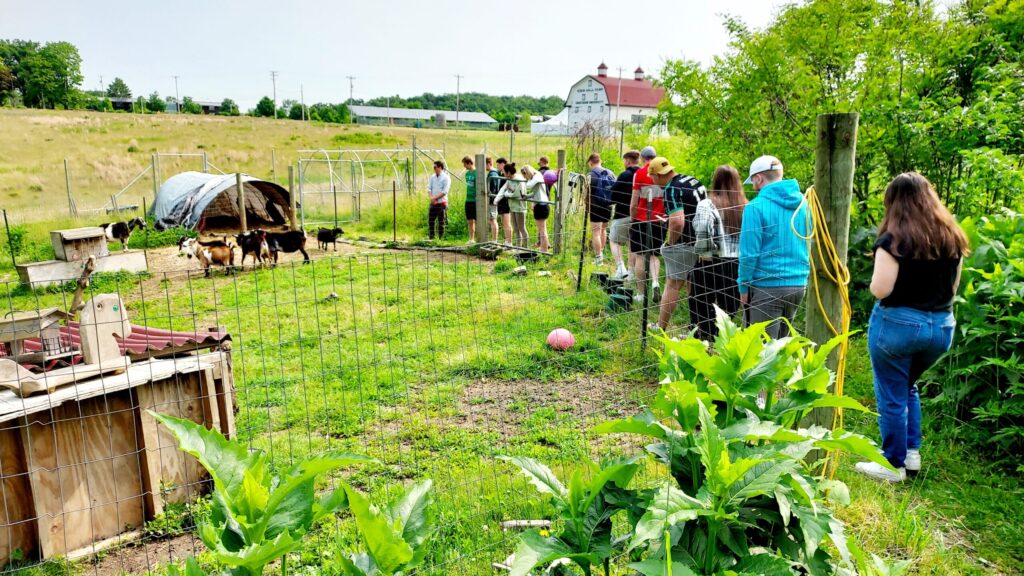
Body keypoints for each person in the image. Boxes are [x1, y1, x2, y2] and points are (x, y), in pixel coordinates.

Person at [854, 172, 968, 483]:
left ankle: (892, 464)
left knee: (891, 391)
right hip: (941, 327)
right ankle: (911, 453)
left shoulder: (893, 241)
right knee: (908, 386)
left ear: (894, 204)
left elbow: (880, 289)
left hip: (899, 326)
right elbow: (953, 287)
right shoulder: (952, 238)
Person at [737, 155, 809, 338]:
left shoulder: (755, 207)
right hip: (798, 285)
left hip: (766, 287)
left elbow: (749, 254)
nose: (753, 186)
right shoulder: (804, 204)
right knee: (782, 349)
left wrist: (743, 287)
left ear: (759, 178)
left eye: (753, 181)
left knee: (760, 354)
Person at [647, 157, 707, 332]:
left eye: (652, 178)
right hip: (703, 238)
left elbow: (678, 222)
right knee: (695, 285)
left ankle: (661, 326)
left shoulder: (671, 189)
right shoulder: (692, 180)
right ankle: (696, 328)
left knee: (673, 284)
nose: (652, 181)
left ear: (658, 175)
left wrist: (670, 243)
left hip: (685, 240)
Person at [689, 165, 747, 340]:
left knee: (701, 303)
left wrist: (704, 252)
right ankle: (721, 339)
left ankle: (704, 341)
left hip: (710, 262)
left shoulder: (707, 204)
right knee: (728, 306)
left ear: (715, 180)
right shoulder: (746, 206)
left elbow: (702, 228)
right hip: (736, 263)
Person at [630, 146, 664, 303]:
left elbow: (634, 199)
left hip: (641, 219)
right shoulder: (662, 170)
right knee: (654, 255)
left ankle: (641, 293)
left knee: (640, 256)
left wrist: (632, 216)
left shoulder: (640, 173)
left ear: (642, 158)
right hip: (659, 219)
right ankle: (656, 282)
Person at [609, 150, 640, 280]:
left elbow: (613, 195)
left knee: (613, 240)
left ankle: (620, 267)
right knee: (631, 243)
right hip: (639, 215)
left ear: (627, 160)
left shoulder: (624, 175)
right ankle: (631, 272)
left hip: (622, 213)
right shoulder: (642, 174)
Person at [587, 153, 614, 265]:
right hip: (608, 205)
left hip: (596, 206)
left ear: (590, 162)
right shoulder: (610, 173)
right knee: (603, 230)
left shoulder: (590, 175)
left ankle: (598, 258)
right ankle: (601, 253)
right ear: (600, 161)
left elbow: (585, 193)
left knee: (596, 232)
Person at [494, 162, 529, 247]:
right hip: (512, 206)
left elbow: (518, 193)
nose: (503, 174)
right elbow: (503, 189)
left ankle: (526, 248)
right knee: (516, 229)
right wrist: (496, 200)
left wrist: (507, 194)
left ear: (509, 172)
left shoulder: (519, 179)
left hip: (520, 207)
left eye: (504, 172)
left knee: (522, 228)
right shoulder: (509, 179)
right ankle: (518, 247)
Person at [523, 164, 550, 252]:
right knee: (541, 230)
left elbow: (528, 186)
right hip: (539, 205)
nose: (525, 178)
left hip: (542, 205)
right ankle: (543, 250)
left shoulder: (537, 176)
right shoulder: (534, 178)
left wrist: (523, 183)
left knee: (542, 230)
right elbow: (536, 192)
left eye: (525, 175)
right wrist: (527, 196)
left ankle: (544, 251)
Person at [427, 160, 450, 240]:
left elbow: (444, 191)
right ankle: (431, 238)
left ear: (440, 167)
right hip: (433, 203)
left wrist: (435, 198)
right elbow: (429, 188)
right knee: (431, 221)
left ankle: (441, 239)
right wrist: (431, 198)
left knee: (441, 222)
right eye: (433, 167)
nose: (434, 169)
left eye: (435, 167)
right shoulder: (432, 177)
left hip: (441, 203)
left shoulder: (446, 178)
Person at [493, 157, 512, 243]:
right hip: (501, 200)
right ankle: (506, 240)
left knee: (507, 222)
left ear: (503, 164)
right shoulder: (501, 174)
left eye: (498, 164)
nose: (497, 166)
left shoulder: (508, 175)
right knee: (504, 222)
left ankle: (509, 241)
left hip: (506, 201)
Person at [462, 156, 478, 243]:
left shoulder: (477, 173)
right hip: (468, 199)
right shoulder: (467, 174)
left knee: (477, 220)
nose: (464, 166)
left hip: (475, 200)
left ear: (469, 163)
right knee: (470, 220)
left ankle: (479, 238)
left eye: (465, 164)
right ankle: (471, 239)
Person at [485, 157, 501, 241]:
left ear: (488, 164)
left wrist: (490, 197)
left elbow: (493, 189)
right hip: (493, 200)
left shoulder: (492, 174)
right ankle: (493, 239)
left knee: (493, 220)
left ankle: (494, 240)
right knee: (491, 220)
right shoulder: (493, 173)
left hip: (492, 200)